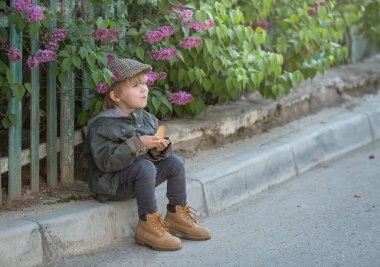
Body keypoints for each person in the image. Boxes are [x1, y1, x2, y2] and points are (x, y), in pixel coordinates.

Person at [82, 58, 211, 251]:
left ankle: (176, 215)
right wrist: (138, 144)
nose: (145, 89)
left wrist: (160, 149)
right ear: (116, 96)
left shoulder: (145, 118)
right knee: (144, 166)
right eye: (136, 86)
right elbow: (106, 162)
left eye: (144, 83)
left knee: (175, 162)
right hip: (112, 184)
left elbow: (154, 155)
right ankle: (147, 225)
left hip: (139, 178)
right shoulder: (102, 125)